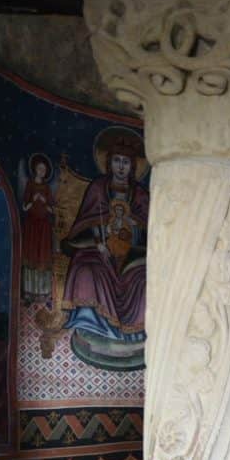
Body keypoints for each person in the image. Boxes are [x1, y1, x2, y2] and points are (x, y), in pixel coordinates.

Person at [60, 129, 148, 347]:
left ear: (133, 166)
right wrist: (99, 241)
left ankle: (135, 335)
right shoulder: (99, 188)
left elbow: (153, 234)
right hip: (98, 251)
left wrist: (134, 229)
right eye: (117, 161)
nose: (121, 166)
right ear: (109, 163)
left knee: (146, 281)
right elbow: (84, 223)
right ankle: (93, 328)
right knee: (86, 271)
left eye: (126, 162)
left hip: (133, 255)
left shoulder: (141, 196)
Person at [20, 153, 55, 301]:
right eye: (40, 168)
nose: (42, 171)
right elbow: (24, 207)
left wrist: (45, 202)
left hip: (44, 227)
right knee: (31, 255)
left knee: (43, 256)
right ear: (35, 169)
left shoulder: (46, 187)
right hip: (32, 226)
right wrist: (33, 200)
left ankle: (43, 292)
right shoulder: (30, 184)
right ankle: (29, 292)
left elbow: (52, 209)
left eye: (44, 169)